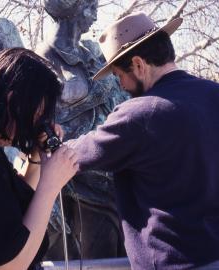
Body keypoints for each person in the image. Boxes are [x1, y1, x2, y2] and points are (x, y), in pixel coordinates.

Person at [67, 12, 219, 270]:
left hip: (173, 262)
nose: (121, 85)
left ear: (138, 64)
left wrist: (48, 144)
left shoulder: (139, 114)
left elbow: (78, 154)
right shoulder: (214, 95)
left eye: (118, 76)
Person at [0, 48, 78, 270]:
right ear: (12, 99)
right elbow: (8, 266)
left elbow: (7, 216)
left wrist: (36, 158)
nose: (32, 125)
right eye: (35, 114)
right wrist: (51, 185)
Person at [36, 0, 127, 259]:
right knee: (97, 259)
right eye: (90, 7)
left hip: (112, 173)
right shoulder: (44, 58)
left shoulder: (92, 54)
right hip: (77, 183)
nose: (95, 15)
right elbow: (40, 121)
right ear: (72, 10)